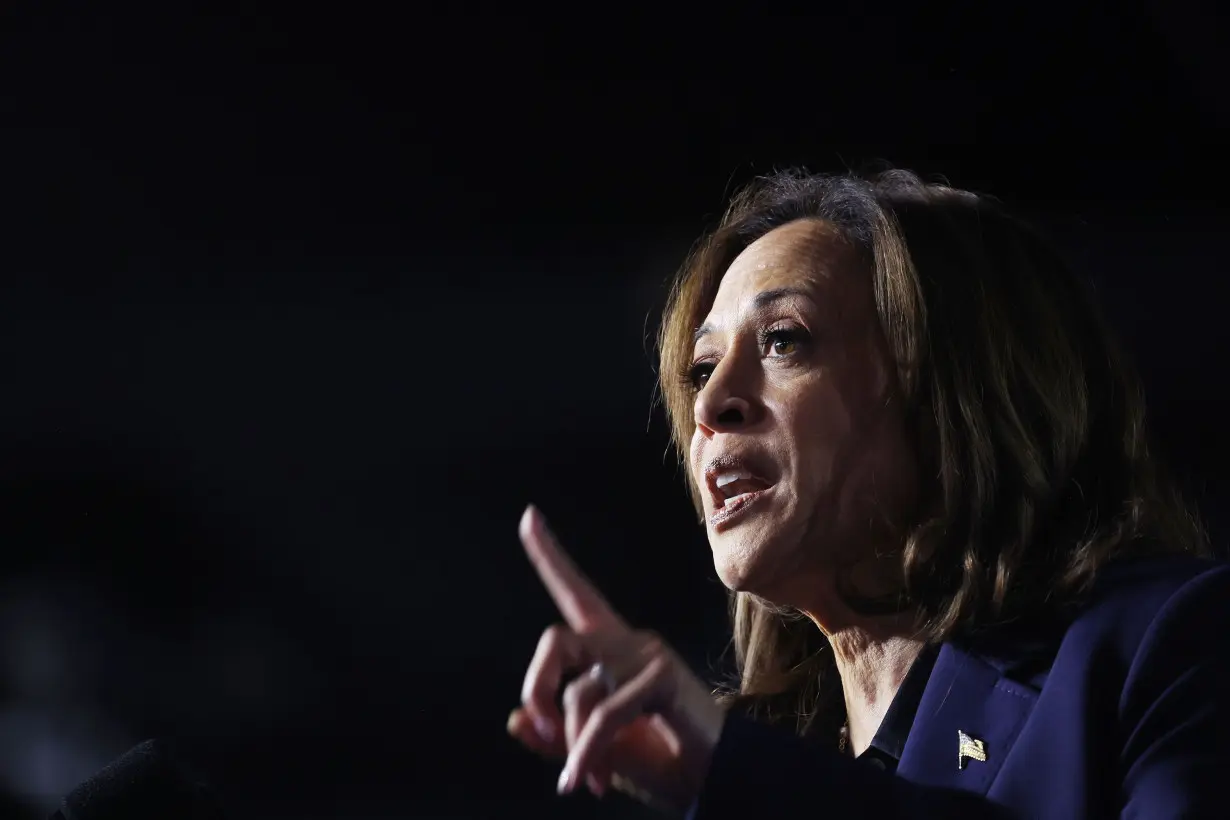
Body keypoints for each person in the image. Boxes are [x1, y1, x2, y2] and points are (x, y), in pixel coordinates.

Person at [505, 168, 1226, 818]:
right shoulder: (763, 772)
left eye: (784, 340)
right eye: (701, 368)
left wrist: (739, 778)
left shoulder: (1167, 645)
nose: (711, 404)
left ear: (955, 390)